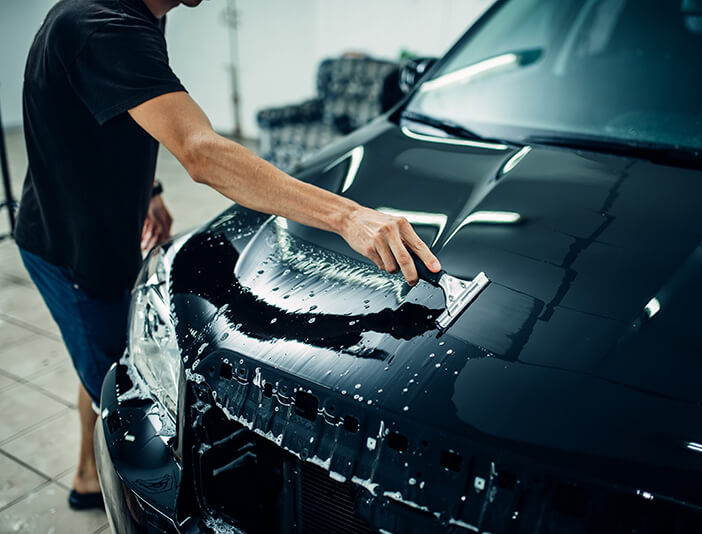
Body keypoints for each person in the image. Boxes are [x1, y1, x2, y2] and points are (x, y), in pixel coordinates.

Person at [14, 0, 440, 510]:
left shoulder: (140, 14)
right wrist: (348, 216)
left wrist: (148, 190)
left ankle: (84, 474)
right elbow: (200, 150)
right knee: (130, 388)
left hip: (105, 230)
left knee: (107, 360)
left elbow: (116, 106)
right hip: (74, 255)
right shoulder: (102, 25)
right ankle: (108, 486)